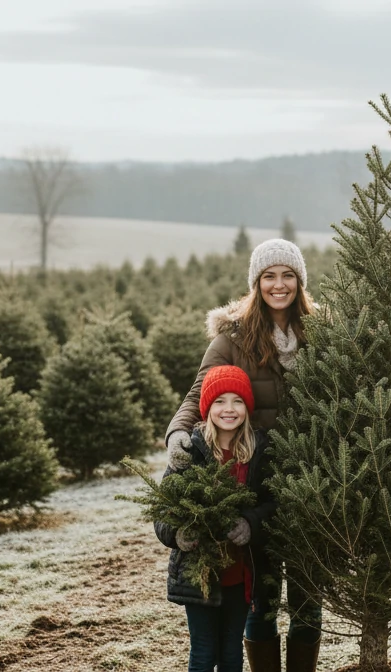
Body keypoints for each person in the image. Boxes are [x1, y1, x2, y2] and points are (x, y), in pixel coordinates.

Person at [166, 239, 320, 672]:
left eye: (288, 275)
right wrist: (177, 435)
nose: (279, 284)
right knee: (263, 596)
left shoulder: (319, 333)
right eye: (269, 276)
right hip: (256, 482)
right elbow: (198, 395)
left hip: (315, 482)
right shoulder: (232, 338)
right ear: (256, 282)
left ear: (300, 281)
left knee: (309, 594)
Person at [157, 365, 277, 672]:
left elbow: (272, 503)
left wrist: (250, 523)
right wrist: (178, 533)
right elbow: (163, 509)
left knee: (231, 650)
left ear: (247, 408)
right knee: (203, 650)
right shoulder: (191, 450)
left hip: (240, 572)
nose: (229, 409)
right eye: (220, 401)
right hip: (198, 573)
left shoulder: (259, 449)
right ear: (207, 407)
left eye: (237, 401)